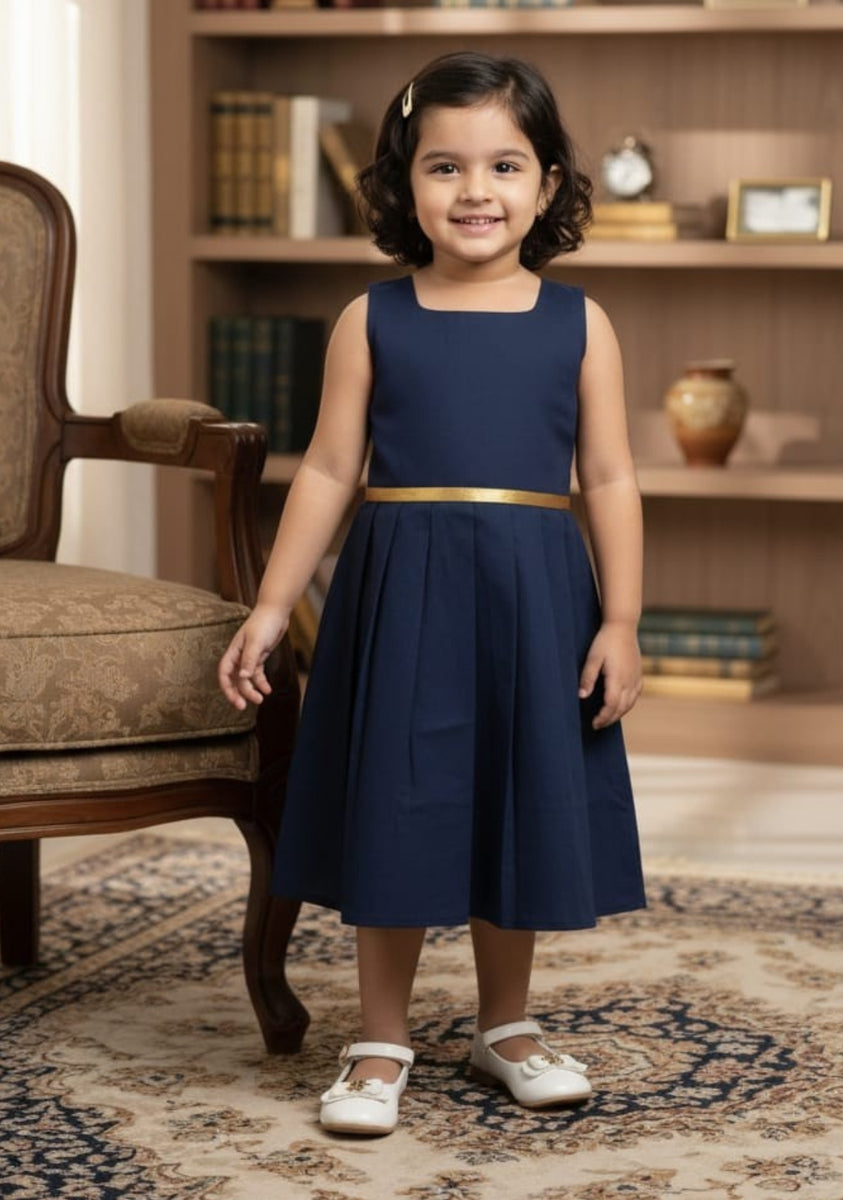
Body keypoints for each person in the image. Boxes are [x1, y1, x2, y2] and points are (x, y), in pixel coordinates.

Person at [218, 50, 646, 1137]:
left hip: (538, 596)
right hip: (401, 593)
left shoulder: (580, 323)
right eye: (445, 167)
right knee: (397, 803)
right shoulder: (374, 319)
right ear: (404, 184)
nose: (475, 191)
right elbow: (324, 470)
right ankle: (380, 1039)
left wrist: (625, 622)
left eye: (505, 165)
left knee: (520, 795)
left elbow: (609, 477)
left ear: (548, 185)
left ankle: (505, 1025)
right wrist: (269, 607)